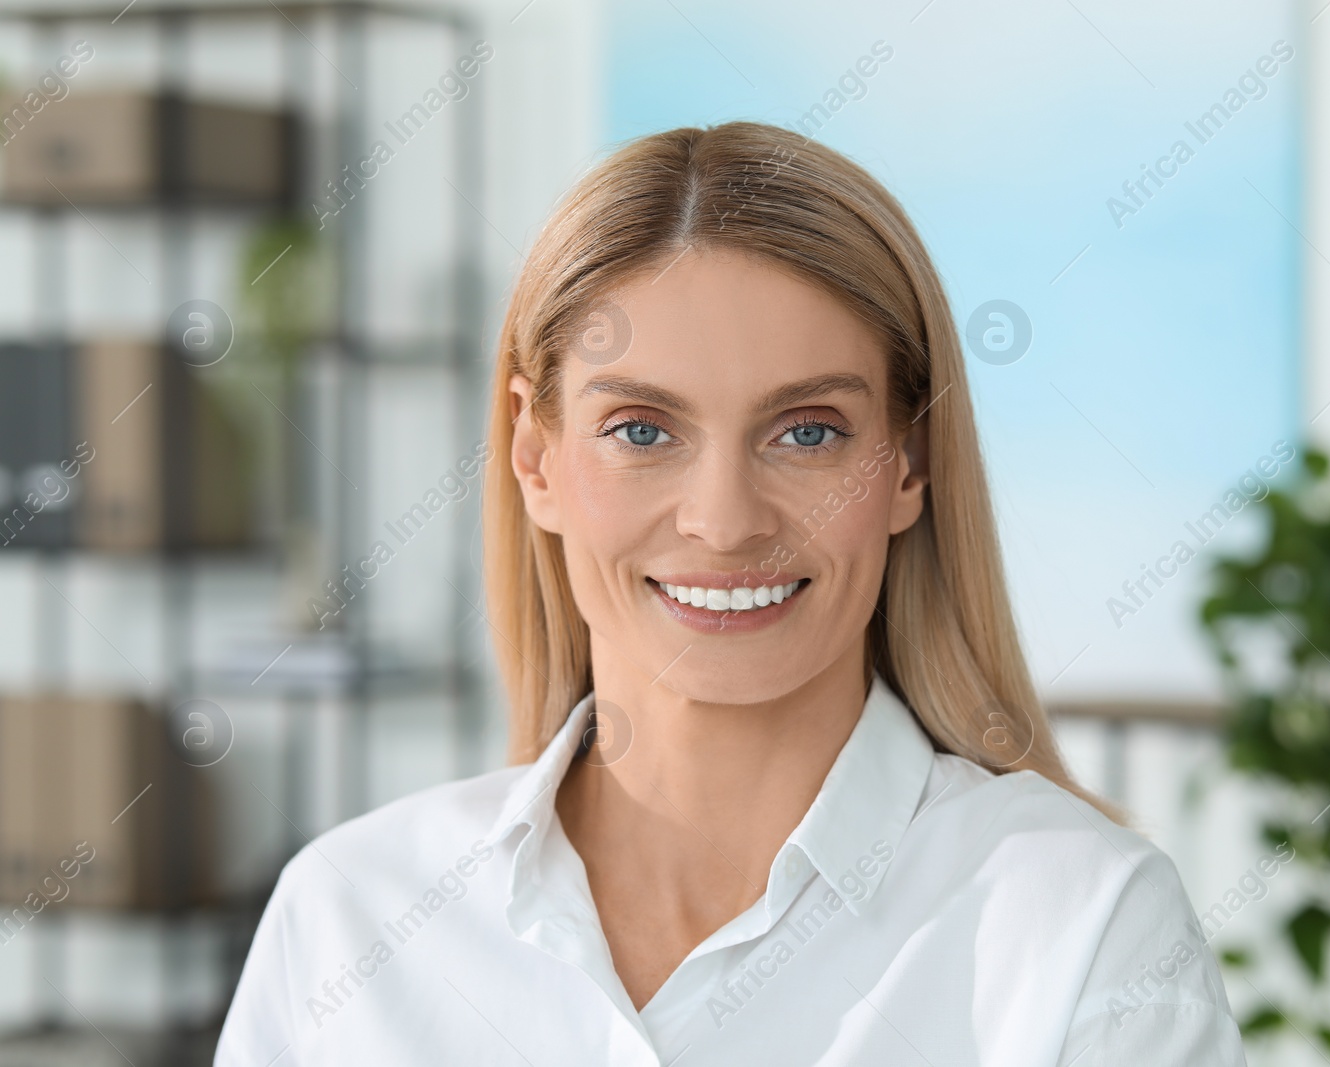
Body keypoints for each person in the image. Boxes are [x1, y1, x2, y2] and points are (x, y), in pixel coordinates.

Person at [215, 121, 1245, 1066]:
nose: (724, 520)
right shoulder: (351, 917)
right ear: (535, 453)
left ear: (908, 462)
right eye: (641, 431)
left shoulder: (1084, 927)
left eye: (806, 431)